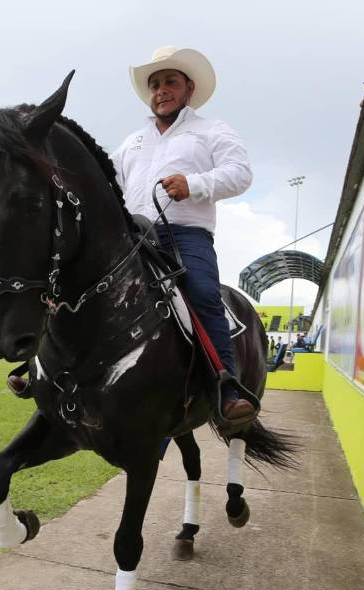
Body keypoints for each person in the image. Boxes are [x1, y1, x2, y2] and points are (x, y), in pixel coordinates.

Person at [111, 46, 257, 426]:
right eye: (155, 84)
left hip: (185, 236)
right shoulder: (132, 142)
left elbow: (240, 173)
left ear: (188, 89)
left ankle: (226, 387)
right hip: (133, 238)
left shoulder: (212, 130)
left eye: (170, 82)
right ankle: (44, 369)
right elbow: (110, 183)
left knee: (204, 294)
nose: (161, 90)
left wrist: (194, 184)